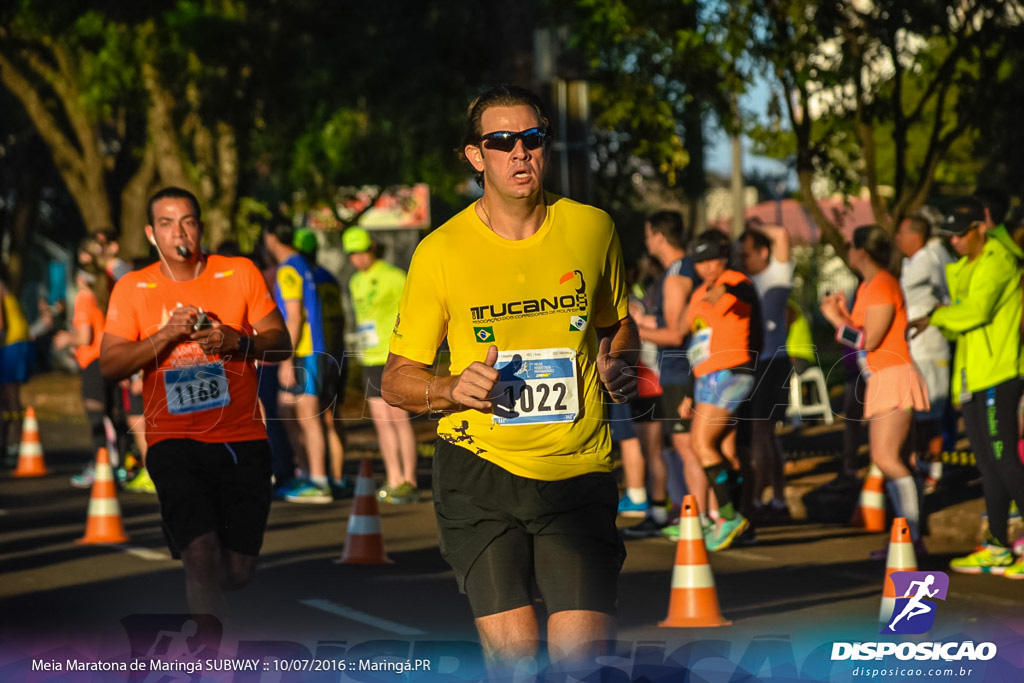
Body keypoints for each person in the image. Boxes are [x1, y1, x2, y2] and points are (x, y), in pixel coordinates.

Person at [379, 85, 637, 676]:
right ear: (476, 156)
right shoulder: (439, 251)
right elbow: (397, 381)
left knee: (581, 665)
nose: (520, 153)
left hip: (575, 471)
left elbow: (617, 324)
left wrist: (618, 360)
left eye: (532, 139)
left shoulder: (593, 229)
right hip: (478, 472)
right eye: (502, 142)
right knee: (517, 662)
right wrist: (449, 389)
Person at [100, 186, 291, 618]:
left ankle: (203, 577)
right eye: (166, 223)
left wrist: (238, 340)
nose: (177, 231)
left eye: (186, 220)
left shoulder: (239, 272)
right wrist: (165, 335)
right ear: (152, 234)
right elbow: (109, 366)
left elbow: (281, 345)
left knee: (236, 573)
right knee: (201, 558)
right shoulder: (134, 287)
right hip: (173, 440)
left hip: (242, 438)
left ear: (200, 227)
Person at [909, 196, 1024, 577]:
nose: (955, 242)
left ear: (980, 228)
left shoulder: (999, 261)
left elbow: (976, 312)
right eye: (950, 237)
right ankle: (997, 546)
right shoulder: (967, 266)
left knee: (1004, 458)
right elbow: (963, 306)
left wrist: (937, 316)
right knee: (989, 465)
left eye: (961, 235)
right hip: (973, 375)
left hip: (1000, 373)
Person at [821, 224, 930, 555]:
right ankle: (912, 538)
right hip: (883, 377)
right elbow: (859, 334)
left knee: (885, 458)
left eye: (851, 247)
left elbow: (870, 339)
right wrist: (841, 313)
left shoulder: (882, 284)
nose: (849, 253)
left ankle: (908, 539)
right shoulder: (870, 285)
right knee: (901, 460)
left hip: (893, 376)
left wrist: (833, 320)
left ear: (862, 251)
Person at [682, 229, 762, 551]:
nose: (705, 267)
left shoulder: (737, 281)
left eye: (710, 259)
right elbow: (697, 342)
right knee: (726, 451)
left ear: (724, 256)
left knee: (701, 443)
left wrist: (726, 287)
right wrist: (690, 390)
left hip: (732, 372)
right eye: (699, 262)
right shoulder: (699, 293)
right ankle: (741, 524)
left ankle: (728, 516)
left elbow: (746, 297)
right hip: (705, 377)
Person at [627, 210, 701, 539]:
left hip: (678, 371)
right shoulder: (678, 272)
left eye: (648, 234)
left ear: (658, 236)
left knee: (690, 449)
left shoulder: (677, 274)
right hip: (683, 369)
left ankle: (699, 520)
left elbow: (674, 333)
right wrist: (643, 325)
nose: (646, 242)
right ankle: (700, 516)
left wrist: (635, 330)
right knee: (692, 449)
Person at [345, 226, 420, 504]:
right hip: (369, 358)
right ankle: (394, 478)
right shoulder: (354, 282)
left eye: (362, 251)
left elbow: (413, 312)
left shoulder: (393, 276)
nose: (358, 258)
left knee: (399, 420)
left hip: (394, 356)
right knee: (382, 423)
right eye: (352, 254)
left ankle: (410, 481)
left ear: (372, 248)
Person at [263, 219, 333, 504]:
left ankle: (318, 479)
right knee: (288, 411)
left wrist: (285, 359)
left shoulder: (289, 269)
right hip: (308, 351)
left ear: (270, 238)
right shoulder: (301, 264)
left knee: (307, 417)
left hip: (304, 352)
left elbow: (294, 317)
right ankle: (305, 474)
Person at [737, 221, 794, 523]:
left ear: (763, 252)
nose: (742, 261)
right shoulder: (744, 281)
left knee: (762, 433)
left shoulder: (777, 274)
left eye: (747, 254)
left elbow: (782, 234)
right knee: (766, 436)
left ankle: (760, 498)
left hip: (773, 361)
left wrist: (755, 225)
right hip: (754, 362)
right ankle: (778, 499)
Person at [894, 214, 953, 493]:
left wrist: (936, 315)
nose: (897, 239)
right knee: (918, 414)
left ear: (915, 236)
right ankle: (922, 468)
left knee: (931, 413)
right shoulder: (910, 261)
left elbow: (950, 294)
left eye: (901, 234)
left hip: (931, 347)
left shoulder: (933, 256)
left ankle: (935, 473)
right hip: (913, 348)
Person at [293, 228, 351, 496]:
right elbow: (339, 319)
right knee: (331, 417)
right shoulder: (328, 277)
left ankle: (316, 476)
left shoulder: (302, 277)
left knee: (310, 417)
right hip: (334, 353)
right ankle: (337, 477)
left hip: (313, 354)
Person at [0, 274, 33, 461]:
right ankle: (7, 445)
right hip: (13, 343)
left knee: (10, 396)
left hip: (13, 343)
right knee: (5, 398)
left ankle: (19, 446)